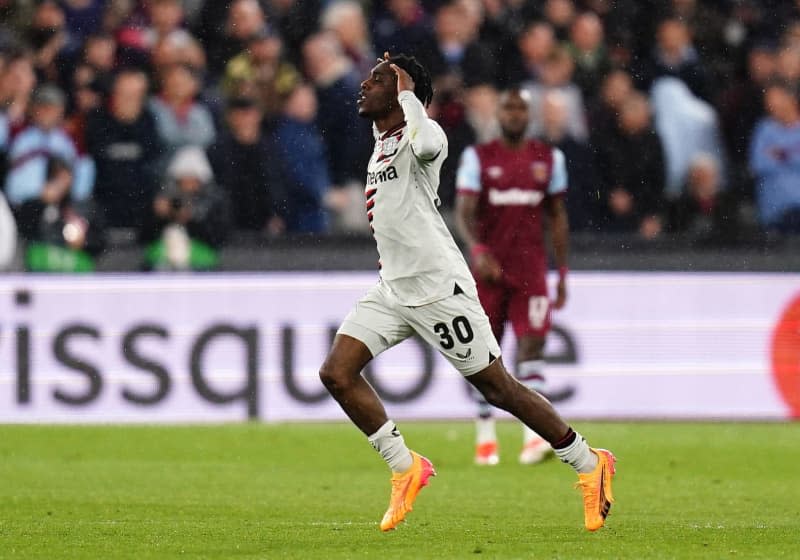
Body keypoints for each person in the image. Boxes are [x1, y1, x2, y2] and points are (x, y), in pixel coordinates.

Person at [318, 52, 616, 534]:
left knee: (498, 388)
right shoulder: (383, 139)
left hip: (439, 288)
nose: (362, 87)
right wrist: (397, 85)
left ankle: (588, 462)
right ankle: (405, 466)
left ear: (401, 92)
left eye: (375, 81)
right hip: (393, 288)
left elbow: (430, 142)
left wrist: (410, 91)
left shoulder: (424, 136)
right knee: (336, 372)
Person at [454, 87, 570, 467]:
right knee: (484, 356)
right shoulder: (478, 158)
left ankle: (533, 439)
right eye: (509, 108)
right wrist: (478, 250)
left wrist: (562, 271)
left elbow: (556, 215)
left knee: (531, 350)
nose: (515, 115)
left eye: (522, 109)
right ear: (498, 115)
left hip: (531, 271)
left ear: (530, 115)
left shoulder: (549, 159)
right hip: (489, 271)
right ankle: (486, 437)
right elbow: (464, 212)